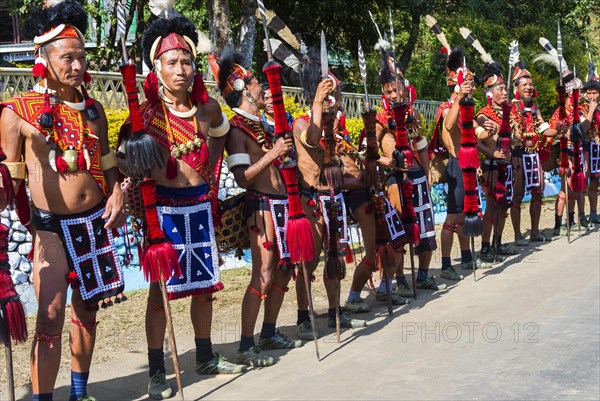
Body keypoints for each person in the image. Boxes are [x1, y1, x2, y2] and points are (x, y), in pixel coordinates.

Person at [0, 1, 125, 400]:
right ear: (43, 58)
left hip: (94, 221)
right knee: (51, 315)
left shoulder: (94, 110)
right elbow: (9, 180)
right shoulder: (17, 113)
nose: (76, 65)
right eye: (66, 57)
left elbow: (107, 166)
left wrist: (118, 193)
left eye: (81, 57)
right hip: (50, 225)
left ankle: (79, 392)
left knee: (86, 310)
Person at [117, 16, 246, 399]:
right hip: (164, 213)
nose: (181, 69)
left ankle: (205, 355)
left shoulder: (207, 112)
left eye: (186, 61)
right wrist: (133, 155)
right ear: (157, 69)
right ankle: (157, 369)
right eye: (172, 62)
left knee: (205, 288)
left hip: (200, 209)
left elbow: (221, 138)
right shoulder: (146, 117)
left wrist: (210, 175)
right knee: (159, 296)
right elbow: (124, 163)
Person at [216, 51, 301, 367]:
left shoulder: (267, 124)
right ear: (240, 87)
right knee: (263, 274)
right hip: (261, 206)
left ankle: (268, 332)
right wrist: (274, 152)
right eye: (254, 81)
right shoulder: (237, 129)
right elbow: (242, 177)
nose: (262, 86)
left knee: (284, 269)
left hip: (283, 204)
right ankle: (245, 345)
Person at [291, 60, 366, 337]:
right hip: (311, 200)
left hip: (335, 199)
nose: (334, 102)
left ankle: (336, 310)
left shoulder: (338, 132)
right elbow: (312, 139)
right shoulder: (301, 122)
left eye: (335, 96)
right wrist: (317, 105)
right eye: (328, 96)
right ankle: (302, 317)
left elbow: (348, 167)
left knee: (334, 259)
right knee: (308, 262)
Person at [374, 50, 440, 293]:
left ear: (403, 87)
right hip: (396, 179)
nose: (392, 95)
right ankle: (399, 281)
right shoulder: (381, 117)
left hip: (418, 176)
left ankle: (422, 275)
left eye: (395, 90)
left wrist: (428, 170)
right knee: (400, 230)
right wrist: (389, 162)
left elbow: (420, 142)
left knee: (425, 226)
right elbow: (370, 151)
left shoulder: (414, 113)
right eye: (388, 91)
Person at [428, 47, 492, 274]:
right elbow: (448, 124)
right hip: (456, 166)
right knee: (453, 217)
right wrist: (459, 97)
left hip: (470, 167)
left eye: (473, 85)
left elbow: (479, 133)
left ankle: (466, 258)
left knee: (466, 215)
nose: (473, 88)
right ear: (458, 86)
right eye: (470, 84)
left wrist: (493, 130)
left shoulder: (467, 109)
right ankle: (445, 264)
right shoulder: (447, 108)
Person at [475, 62, 520, 261]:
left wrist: (515, 129)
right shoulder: (483, 115)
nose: (504, 92)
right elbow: (475, 143)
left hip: (508, 165)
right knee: (492, 206)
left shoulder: (509, 113)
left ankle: (497, 243)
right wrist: (492, 154)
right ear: (490, 93)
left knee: (504, 205)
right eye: (500, 89)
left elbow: (518, 141)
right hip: (492, 167)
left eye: (505, 89)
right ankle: (485, 248)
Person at [509, 62, 555, 243]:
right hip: (518, 156)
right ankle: (518, 235)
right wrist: (517, 138)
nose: (528, 88)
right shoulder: (511, 108)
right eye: (524, 85)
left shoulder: (534, 109)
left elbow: (544, 129)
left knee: (538, 192)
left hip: (534, 156)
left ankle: (535, 232)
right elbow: (511, 134)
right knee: (518, 195)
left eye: (530, 85)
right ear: (517, 88)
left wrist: (559, 129)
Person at [549, 71, 592, 234]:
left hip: (578, 153)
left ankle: (572, 219)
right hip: (566, 154)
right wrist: (563, 130)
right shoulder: (561, 111)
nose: (581, 94)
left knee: (574, 187)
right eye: (578, 91)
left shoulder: (578, 111)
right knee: (565, 189)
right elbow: (553, 131)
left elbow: (583, 131)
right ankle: (558, 224)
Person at [581, 72, 600, 224]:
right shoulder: (581, 108)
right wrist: (591, 110)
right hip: (588, 148)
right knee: (589, 179)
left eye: (595, 92)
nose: (592, 95)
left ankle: (594, 212)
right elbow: (584, 129)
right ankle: (587, 214)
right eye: (590, 92)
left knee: (596, 182)